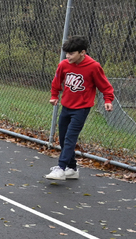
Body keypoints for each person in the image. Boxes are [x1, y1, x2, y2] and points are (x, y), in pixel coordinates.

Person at [45, 35, 114, 181]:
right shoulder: (64, 65)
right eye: (67, 54)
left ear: (82, 52)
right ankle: (73, 168)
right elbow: (57, 81)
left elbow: (105, 86)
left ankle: (61, 168)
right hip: (66, 106)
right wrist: (54, 95)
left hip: (82, 108)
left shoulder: (93, 67)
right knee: (63, 139)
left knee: (70, 137)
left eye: (71, 54)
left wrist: (108, 99)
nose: (68, 57)